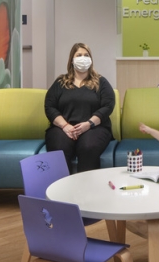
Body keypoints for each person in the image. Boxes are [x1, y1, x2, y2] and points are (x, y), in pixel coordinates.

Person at [44, 43, 114, 173]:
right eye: (79, 55)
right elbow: (49, 106)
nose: (83, 58)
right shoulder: (61, 82)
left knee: (88, 146)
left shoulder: (101, 82)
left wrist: (89, 124)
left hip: (94, 128)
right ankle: (62, 190)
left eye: (86, 55)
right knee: (59, 146)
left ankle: (86, 189)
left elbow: (108, 106)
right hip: (63, 128)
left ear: (91, 60)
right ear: (72, 60)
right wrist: (65, 126)